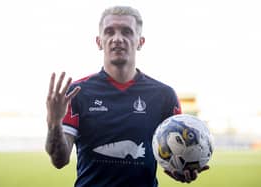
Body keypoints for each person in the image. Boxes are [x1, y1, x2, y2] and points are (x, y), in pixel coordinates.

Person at [45, 5, 209, 187]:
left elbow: (175, 154)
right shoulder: (77, 92)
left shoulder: (164, 96)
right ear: (99, 41)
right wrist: (54, 124)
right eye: (109, 32)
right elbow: (59, 160)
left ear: (140, 41)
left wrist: (181, 169)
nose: (117, 38)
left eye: (127, 32)